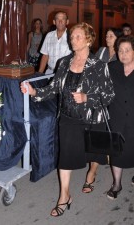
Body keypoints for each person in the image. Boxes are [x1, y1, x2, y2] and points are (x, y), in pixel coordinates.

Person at [20, 22, 115, 217]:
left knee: (93, 152)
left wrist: (86, 98)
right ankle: (65, 196)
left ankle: (92, 173)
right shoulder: (64, 62)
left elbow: (109, 95)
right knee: (66, 157)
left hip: (91, 118)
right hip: (68, 117)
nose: (73, 39)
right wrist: (34, 91)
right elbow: (54, 87)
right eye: (72, 37)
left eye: (78, 36)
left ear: (88, 40)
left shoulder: (99, 65)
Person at [82, 27, 123, 193]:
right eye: (106, 35)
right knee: (98, 132)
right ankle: (92, 171)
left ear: (118, 39)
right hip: (99, 97)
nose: (107, 38)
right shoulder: (101, 51)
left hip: (117, 99)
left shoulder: (122, 54)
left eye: (111, 36)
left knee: (112, 131)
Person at [106, 35, 134, 199]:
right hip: (116, 117)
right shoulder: (111, 67)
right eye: (120, 51)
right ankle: (117, 184)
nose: (123, 54)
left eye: (127, 50)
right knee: (116, 152)